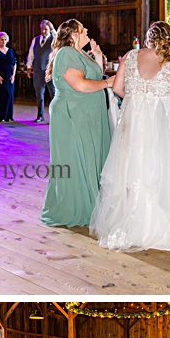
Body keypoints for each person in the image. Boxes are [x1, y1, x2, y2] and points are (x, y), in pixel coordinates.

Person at [90, 21, 170, 254]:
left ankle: (132, 225)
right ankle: (162, 231)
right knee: (164, 170)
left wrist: (137, 98)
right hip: (164, 124)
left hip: (134, 123)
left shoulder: (131, 56)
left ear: (148, 38)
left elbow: (118, 88)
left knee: (133, 168)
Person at [40, 19, 113, 227]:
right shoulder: (67, 53)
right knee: (76, 157)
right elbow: (80, 85)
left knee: (90, 156)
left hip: (87, 114)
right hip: (73, 113)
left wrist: (98, 57)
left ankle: (94, 203)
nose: (88, 30)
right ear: (73, 35)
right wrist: (109, 82)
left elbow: (95, 75)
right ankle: (75, 206)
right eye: (83, 29)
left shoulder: (80, 53)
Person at [26, 20, 56, 123]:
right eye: (42, 29)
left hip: (50, 71)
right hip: (38, 71)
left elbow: (58, 38)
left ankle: (55, 117)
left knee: (54, 94)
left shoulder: (53, 40)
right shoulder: (35, 40)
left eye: (46, 29)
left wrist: (52, 29)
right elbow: (31, 54)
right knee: (39, 95)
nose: (43, 31)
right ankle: (40, 116)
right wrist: (29, 67)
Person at [0, 32, 17, 123]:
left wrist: (13, 75)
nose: (3, 41)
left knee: (9, 95)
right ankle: (0, 117)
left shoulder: (10, 51)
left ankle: (9, 116)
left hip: (9, 76)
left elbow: (14, 63)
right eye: (1, 39)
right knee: (0, 96)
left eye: (5, 39)